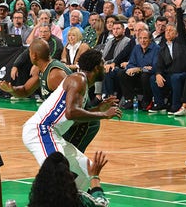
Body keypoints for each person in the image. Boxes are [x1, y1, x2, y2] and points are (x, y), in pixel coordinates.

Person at [22, 49, 122, 190]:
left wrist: (99, 108)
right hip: (41, 130)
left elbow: (75, 114)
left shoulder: (83, 83)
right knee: (58, 173)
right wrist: (104, 115)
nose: (104, 67)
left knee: (88, 172)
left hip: (53, 134)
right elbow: (71, 113)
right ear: (96, 67)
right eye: (102, 63)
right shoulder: (78, 79)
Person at [28, 151, 110, 207]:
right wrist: (94, 177)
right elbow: (101, 204)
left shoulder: (36, 200)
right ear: (69, 176)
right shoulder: (80, 200)